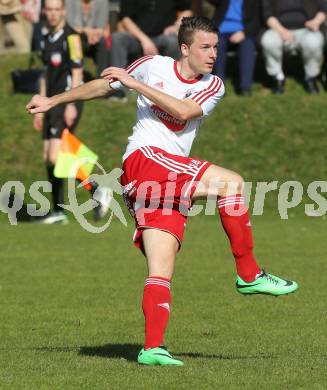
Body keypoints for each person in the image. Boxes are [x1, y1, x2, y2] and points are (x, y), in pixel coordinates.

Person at [26, 16, 298, 365]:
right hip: (144, 161)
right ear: (184, 48)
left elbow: (184, 111)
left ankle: (152, 348)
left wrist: (136, 86)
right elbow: (104, 85)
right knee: (232, 183)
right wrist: (54, 101)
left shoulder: (213, 84)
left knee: (161, 266)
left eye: (215, 47)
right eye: (205, 47)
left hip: (162, 179)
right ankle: (249, 274)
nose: (213, 54)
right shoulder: (152, 65)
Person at [33, 0, 111, 224]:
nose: (53, 14)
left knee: (56, 154)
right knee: (49, 157)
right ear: (45, 12)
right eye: (49, 9)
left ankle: (96, 189)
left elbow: (77, 72)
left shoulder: (72, 37)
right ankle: (58, 211)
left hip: (67, 99)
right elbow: (45, 74)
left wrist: (70, 104)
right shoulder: (46, 37)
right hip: (50, 103)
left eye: (57, 9)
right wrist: (40, 107)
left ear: (64, 11)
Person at [260, 0, 327, 94]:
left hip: (307, 29)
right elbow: (267, 15)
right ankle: (278, 77)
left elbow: (323, 9)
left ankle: (310, 78)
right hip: (278, 29)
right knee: (269, 41)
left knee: (313, 42)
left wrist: (316, 22)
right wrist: (282, 31)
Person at [209, 0, 261, 96]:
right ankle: (219, 86)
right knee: (217, 45)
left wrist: (244, 33)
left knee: (248, 46)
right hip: (221, 31)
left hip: (243, 32)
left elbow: (256, 22)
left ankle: (245, 87)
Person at [65, 0, 110, 77]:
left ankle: (102, 78)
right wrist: (85, 31)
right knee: (75, 41)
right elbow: (69, 23)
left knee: (102, 42)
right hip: (75, 34)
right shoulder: (70, 1)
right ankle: (76, 76)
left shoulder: (102, 2)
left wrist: (94, 35)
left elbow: (102, 26)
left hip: (95, 36)